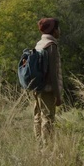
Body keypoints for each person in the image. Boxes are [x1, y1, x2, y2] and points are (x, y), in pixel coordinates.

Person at [33, 17, 63, 147]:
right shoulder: (51, 46)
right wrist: (57, 95)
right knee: (48, 118)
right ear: (54, 30)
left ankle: (39, 145)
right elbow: (53, 73)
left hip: (37, 87)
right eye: (58, 28)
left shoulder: (39, 44)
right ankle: (47, 147)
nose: (59, 31)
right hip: (48, 89)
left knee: (38, 117)